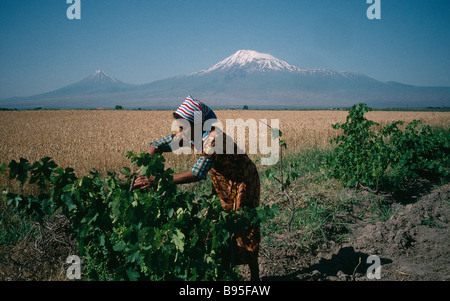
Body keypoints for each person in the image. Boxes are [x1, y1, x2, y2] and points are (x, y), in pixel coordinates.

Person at [133, 95, 261, 281]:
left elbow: (197, 173)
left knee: (244, 225)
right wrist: (145, 163)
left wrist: (156, 180)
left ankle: (255, 278)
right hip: (223, 182)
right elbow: (159, 145)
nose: (180, 130)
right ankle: (226, 271)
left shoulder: (213, 139)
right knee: (221, 225)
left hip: (243, 181)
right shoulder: (189, 134)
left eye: (184, 125)